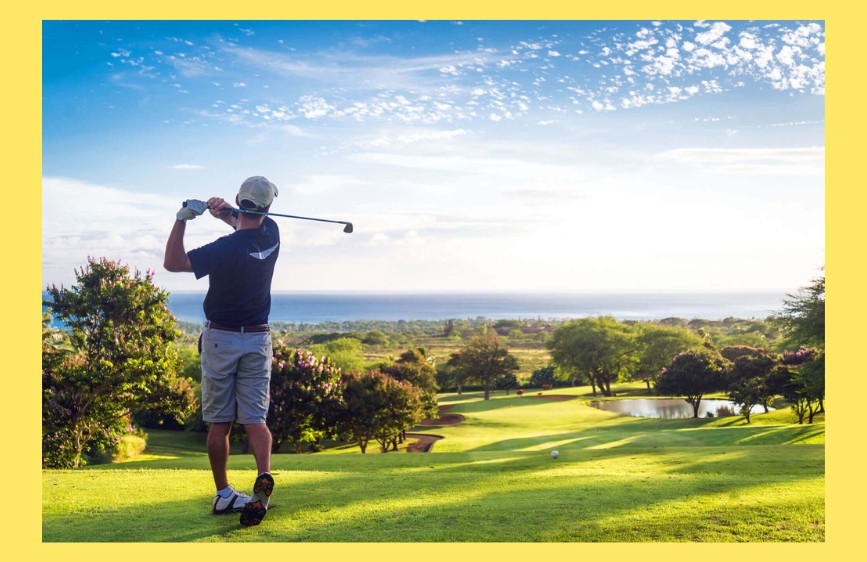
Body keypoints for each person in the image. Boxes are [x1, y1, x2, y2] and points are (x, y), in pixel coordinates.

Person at [164, 176, 280, 526]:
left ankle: (224, 495)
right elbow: (243, 222)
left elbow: (174, 262)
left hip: (221, 339)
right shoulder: (272, 233)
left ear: (238, 199)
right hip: (258, 339)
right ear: (269, 207)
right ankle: (263, 476)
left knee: (220, 422)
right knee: (255, 420)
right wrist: (224, 214)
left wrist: (183, 217)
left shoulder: (223, 249)